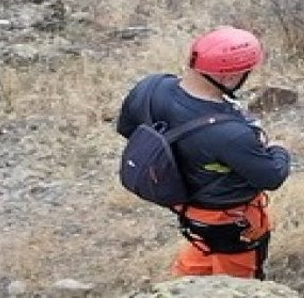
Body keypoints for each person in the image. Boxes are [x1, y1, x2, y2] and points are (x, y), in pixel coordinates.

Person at [117, 27, 291, 279]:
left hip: (186, 207)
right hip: (230, 218)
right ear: (229, 78)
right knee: (238, 284)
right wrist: (280, 149)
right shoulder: (230, 133)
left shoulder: (149, 88)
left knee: (197, 264)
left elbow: (128, 129)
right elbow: (271, 177)